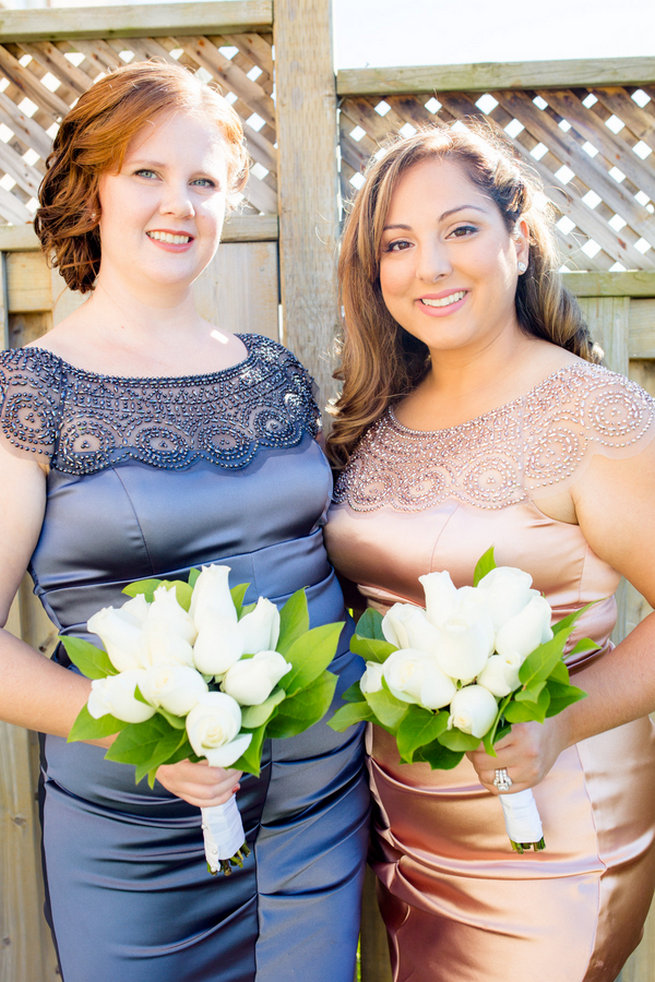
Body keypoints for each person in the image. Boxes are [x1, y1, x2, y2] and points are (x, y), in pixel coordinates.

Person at [0, 60, 368, 982]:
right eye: (147, 174)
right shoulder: (31, 393)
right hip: (141, 831)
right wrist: (136, 732)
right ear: (90, 193)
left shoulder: (272, 373)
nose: (180, 203)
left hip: (318, 805)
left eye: (203, 180)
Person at [324, 120, 655, 982]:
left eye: (460, 229)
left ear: (519, 241)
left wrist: (560, 720)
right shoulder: (372, 419)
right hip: (406, 832)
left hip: (547, 832)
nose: (429, 266)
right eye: (397, 244)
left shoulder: (595, 417)